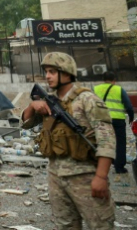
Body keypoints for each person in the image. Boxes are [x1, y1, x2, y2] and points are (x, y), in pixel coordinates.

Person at [22, 52, 116, 230]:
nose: (47, 76)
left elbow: (107, 141)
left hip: (85, 175)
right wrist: (32, 105)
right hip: (56, 175)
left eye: (52, 71)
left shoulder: (87, 100)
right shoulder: (49, 101)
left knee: (101, 225)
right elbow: (25, 124)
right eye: (46, 71)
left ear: (66, 73)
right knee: (64, 225)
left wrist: (101, 176)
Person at [94, 71, 134, 174]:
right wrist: (131, 117)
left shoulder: (95, 89)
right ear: (114, 80)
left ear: (103, 80)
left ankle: (101, 166)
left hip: (101, 119)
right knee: (120, 143)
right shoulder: (119, 89)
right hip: (118, 120)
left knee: (103, 142)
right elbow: (129, 106)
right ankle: (119, 167)